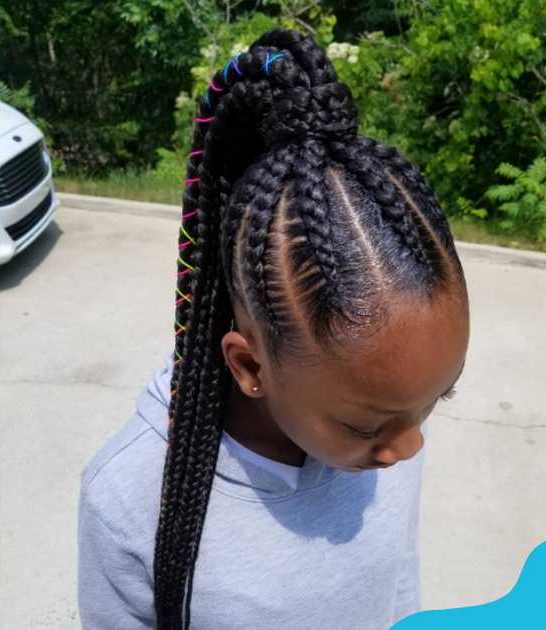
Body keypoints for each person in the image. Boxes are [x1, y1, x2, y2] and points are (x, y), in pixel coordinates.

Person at [78, 28, 470, 630]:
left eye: (437, 401)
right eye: (365, 425)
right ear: (250, 367)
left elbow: (398, 589)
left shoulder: (391, 424)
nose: (411, 446)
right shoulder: (127, 499)